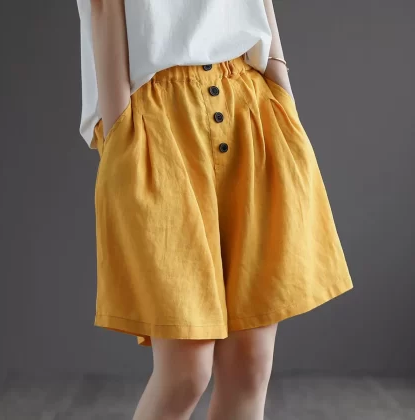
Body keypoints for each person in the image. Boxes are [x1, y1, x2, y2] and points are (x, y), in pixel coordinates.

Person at [76, 1, 353, 418]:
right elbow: (103, 9)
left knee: (250, 365)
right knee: (185, 372)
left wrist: (281, 89)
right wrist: (120, 128)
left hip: (248, 100)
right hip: (156, 116)